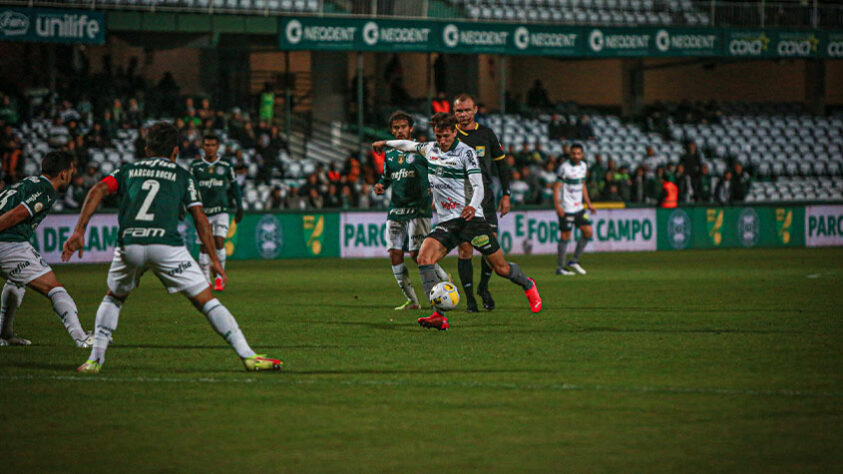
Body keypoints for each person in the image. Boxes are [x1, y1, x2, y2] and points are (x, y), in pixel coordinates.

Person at [62, 122, 281, 373]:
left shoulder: (129, 169)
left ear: (147, 149)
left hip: (130, 244)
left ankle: (94, 360)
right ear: (175, 151)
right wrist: (215, 260)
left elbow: (99, 188)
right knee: (206, 301)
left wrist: (79, 230)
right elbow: (199, 218)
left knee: (114, 297)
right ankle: (248, 355)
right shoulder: (182, 175)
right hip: (165, 244)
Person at [372, 112, 542, 331]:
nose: (442, 141)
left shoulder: (466, 153)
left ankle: (528, 284)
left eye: (446, 136)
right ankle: (438, 315)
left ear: (454, 132)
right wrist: (385, 143)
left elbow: (478, 185)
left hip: (471, 220)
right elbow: (407, 145)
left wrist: (473, 205)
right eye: (438, 136)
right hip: (447, 222)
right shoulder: (430, 149)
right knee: (424, 257)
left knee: (501, 268)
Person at [0, 151, 92, 347]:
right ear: (63, 174)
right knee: (54, 288)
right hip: (9, 243)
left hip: (9, 243)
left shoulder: (27, 182)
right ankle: (82, 338)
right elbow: (18, 214)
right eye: (71, 170)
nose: (72, 174)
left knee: (16, 283)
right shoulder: (46, 189)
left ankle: (4, 334)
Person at [375, 111, 450, 311]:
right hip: (396, 209)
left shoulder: (422, 150)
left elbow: (438, 171)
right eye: (396, 128)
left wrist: (434, 190)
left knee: (418, 254)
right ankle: (413, 301)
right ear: (392, 130)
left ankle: (445, 283)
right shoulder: (390, 154)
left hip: (419, 209)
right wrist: (381, 185)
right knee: (394, 254)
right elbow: (388, 176)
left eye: (403, 127)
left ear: (411, 129)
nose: (399, 131)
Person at [452, 93, 512, 312]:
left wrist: (506, 194)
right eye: (459, 111)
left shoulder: (486, 134)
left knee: (490, 248)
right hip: (460, 201)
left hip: (485, 200)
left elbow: (502, 166)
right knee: (465, 249)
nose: (463, 114)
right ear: (454, 112)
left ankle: (483, 288)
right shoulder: (450, 136)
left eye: (467, 110)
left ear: (475, 110)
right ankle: (470, 299)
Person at [190, 134, 243, 292]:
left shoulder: (226, 164)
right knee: (204, 247)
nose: (210, 148)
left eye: (213, 145)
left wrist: (239, 206)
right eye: (207, 145)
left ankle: (219, 278)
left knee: (219, 241)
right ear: (203, 146)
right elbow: (189, 188)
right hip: (203, 212)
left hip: (221, 210)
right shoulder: (196, 165)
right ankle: (206, 280)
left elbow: (235, 187)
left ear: (218, 146)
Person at [553, 143, 596, 276]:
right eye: (573, 153)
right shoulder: (564, 168)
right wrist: (557, 206)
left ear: (582, 154)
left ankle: (574, 261)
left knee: (588, 232)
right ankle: (560, 267)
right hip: (566, 208)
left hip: (579, 207)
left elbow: (582, 185)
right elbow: (556, 188)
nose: (576, 156)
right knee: (566, 236)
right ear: (570, 154)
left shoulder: (583, 166)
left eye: (578, 154)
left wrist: (588, 203)